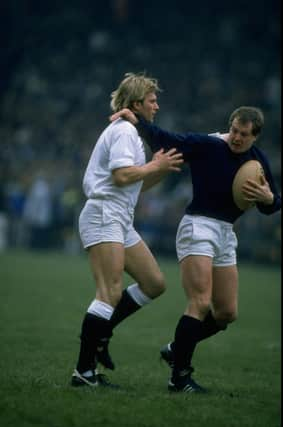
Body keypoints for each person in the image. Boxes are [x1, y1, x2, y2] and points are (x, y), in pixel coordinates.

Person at [110, 105, 281, 393]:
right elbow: (166, 138)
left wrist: (269, 197)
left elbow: (271, 205)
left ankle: (176, 348)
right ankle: (179, 378)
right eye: (234, 131)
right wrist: (136, 119)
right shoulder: (209, 144)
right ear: (231, 126)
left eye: (244, 134)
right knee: (200, 303)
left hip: (226, 233)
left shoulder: (257, 160)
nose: (237, 138)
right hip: (198, 226)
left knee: (226, 312)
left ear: (255, 136)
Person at [71, 73, 183, 388]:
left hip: (119, 216)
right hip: (104, 213)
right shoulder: (123, 131)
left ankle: (102, 331)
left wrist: (161, 169)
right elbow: (121, 177)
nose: (156, 106)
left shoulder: (131, 134)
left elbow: (137, 184)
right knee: (109, 292)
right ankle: (84, 372)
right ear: (136, 103)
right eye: (152, 101)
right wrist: (152, 166)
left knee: (154, 283)